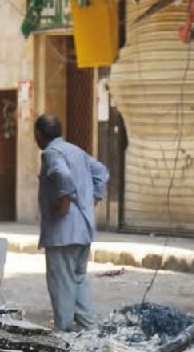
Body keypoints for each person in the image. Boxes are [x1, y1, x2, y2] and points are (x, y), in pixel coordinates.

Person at [34, 114, 109, 332]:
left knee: (62, 283)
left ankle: (64, 332)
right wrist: (92, 200)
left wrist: (64, 201)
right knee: (78, 279)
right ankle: (88, 330)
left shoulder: (51, 153)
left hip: (62, 231)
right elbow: (101, 173)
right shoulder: (76, 151)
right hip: (83, 228)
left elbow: (61, 174)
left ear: (38, 134)